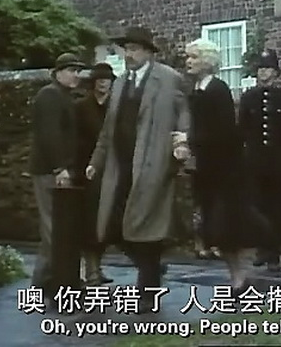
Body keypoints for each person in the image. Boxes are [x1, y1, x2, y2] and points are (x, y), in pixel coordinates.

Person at [85, 26, 190, 313]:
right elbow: (108, 129)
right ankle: (151, 268)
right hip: (120, 168)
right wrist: (95, 162)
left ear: (147, 52)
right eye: (126, 49)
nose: (128, 55)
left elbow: (184, 116)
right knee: (113, 227)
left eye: (133, 49)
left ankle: (148, 293)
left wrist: (182, 145)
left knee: (148, 233)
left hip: (152, 167)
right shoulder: (120, 83)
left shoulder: (168, 79)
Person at [183, 38, 254, 290]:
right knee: (215, 228)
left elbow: (224, 133)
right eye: (188, 56)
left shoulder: (218, 89)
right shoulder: (198, 89)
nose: (188, 61)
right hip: (207, 169)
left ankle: (239, 277)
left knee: (226, 227)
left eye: (193, 57)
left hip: (224, 172)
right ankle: (237, 276)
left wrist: (190, 140)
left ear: (206, 60)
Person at [238, 49, 281, 272]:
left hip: (279, 162)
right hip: (255, 162)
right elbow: (242, 130)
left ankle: (273, 253)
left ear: (275, 73)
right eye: (260, 69)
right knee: (257, 206)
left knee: (277, 208)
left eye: (267, 69)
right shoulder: (249, 97)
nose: (263, 73)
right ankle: (261, 249)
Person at [29, 52, 85, 294]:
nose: (76, 75)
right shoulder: (49, 95)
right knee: (53, 226)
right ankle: (55, 280)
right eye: (71, 70)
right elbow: (49, 134)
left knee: (56, 226)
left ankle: (44, 280)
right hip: (49, 170)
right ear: (58, 72)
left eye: (78, 71)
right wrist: (59, 168)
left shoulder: (63, 96)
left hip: (57, 169)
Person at [74, 62, 116, 286]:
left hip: (112, 169)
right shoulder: (81, 107)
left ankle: (97, 267)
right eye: (99, 79)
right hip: (87, 170)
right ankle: (91, 270)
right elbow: (74, 139)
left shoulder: (116, 106)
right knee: (90, 220)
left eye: (106, 79)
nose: (103, 83)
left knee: (107, 222)